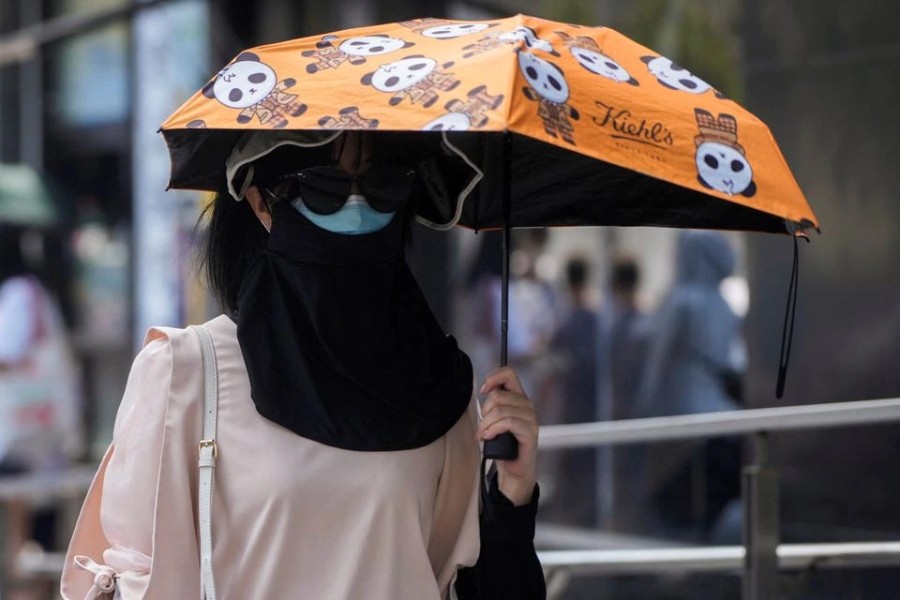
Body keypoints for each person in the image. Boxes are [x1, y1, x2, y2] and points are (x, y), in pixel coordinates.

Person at [61, 131, 545, 599]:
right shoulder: (186, 373)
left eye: (382, 186)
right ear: (260, 202)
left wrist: (513, 490)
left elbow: (477, 583)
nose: (357, 209)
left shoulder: (441, 387)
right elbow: (140, 581)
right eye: (324, 187)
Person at [635, 230, 745, 538]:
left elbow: (659, 359)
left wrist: (644, 404)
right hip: (720, 419)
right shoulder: (723, 304)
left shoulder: (683, 302)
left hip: (683, 418)